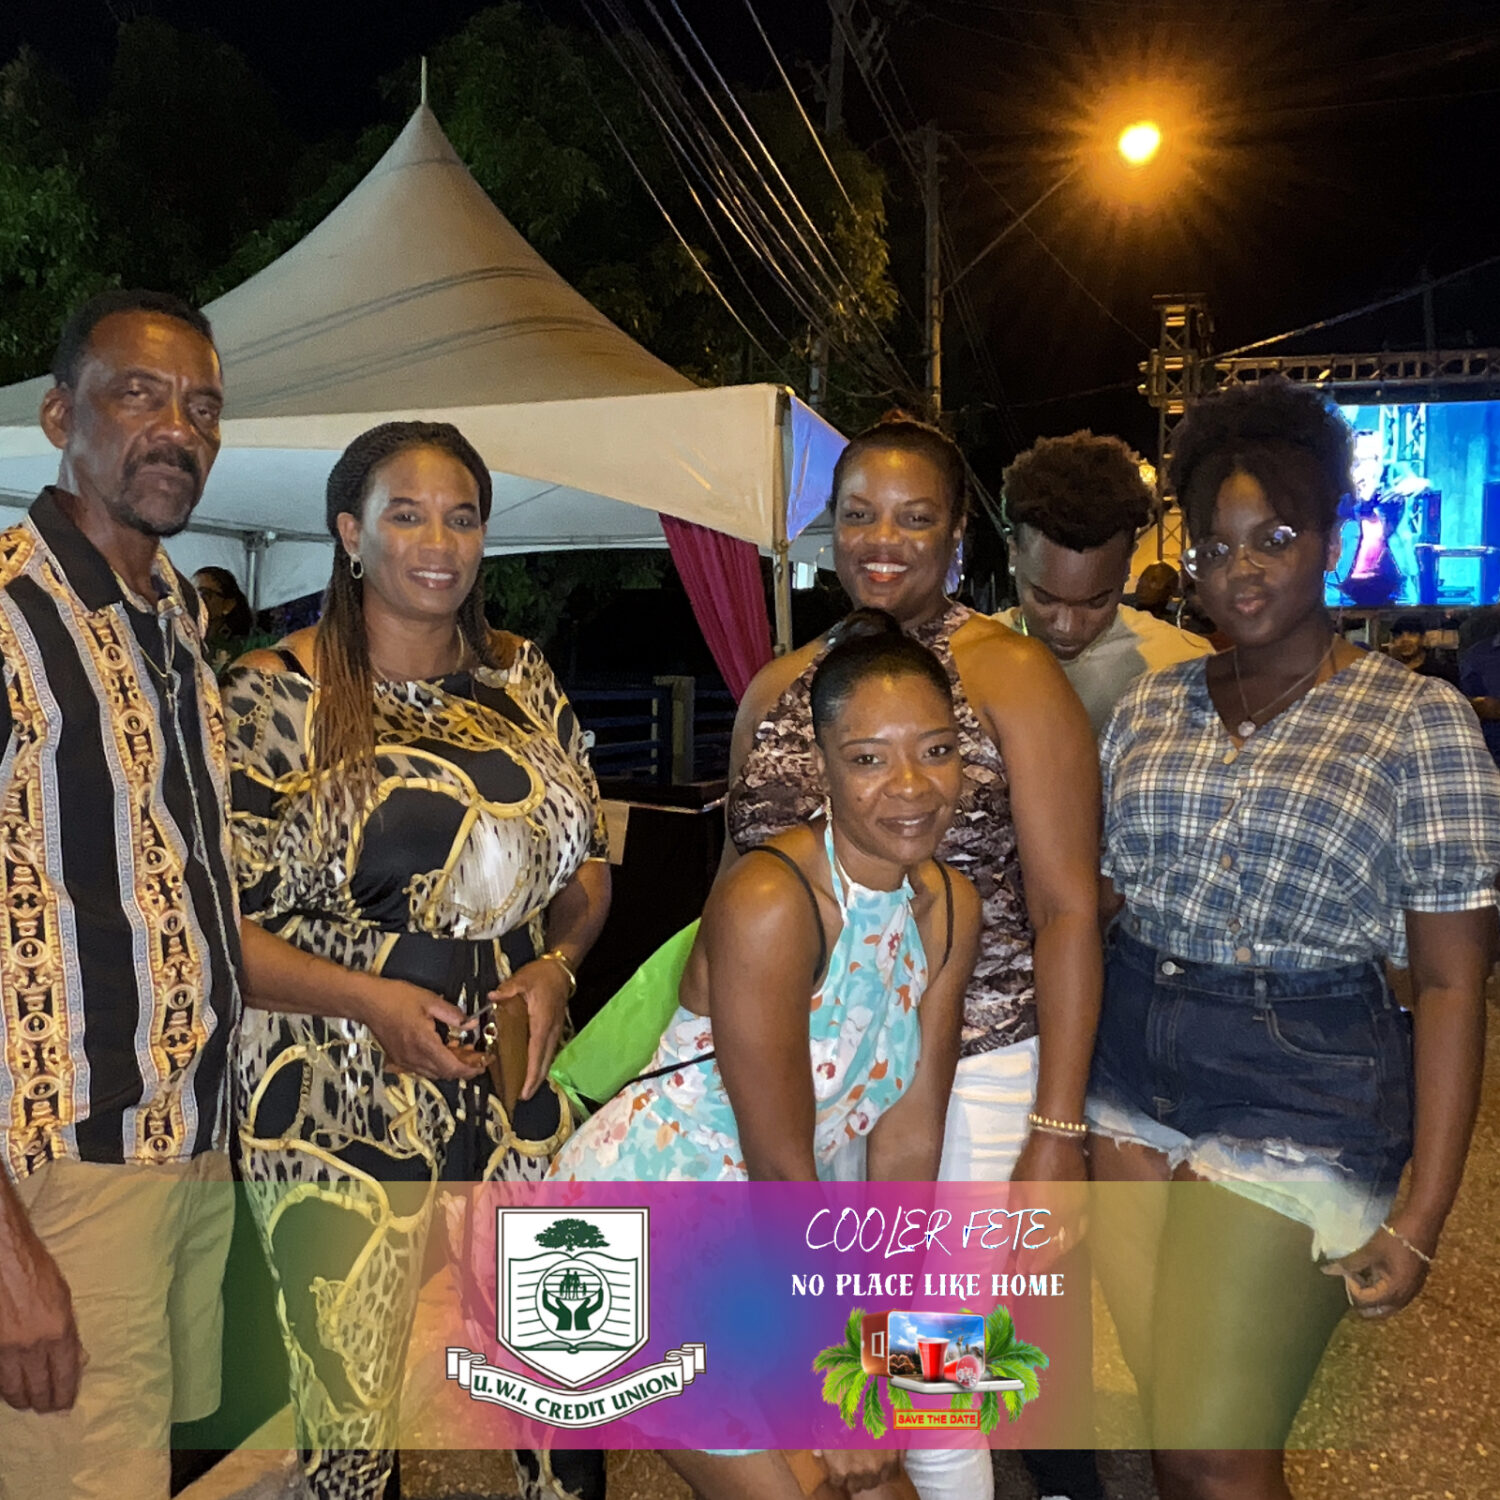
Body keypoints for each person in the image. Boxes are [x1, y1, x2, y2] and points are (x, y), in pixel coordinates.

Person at [0, 291, 484, 1500]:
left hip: (187, 1147)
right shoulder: (8, 618)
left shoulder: (171, 619)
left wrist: (372, 1002)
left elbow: (195, 911)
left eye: (203, 407)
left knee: (135, 1461)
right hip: (59, 1165)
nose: (178, 428)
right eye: (138, 395)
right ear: (59, 416)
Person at [1087, 376, 1500, 1499]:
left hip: (1305, 1084)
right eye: (1215, 547)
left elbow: (1451, 983)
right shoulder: (1152, 708)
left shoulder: (1418, 721)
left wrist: (1424, 1213)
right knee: (1174, 1435)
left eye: (1273, 537)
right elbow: (1102, 902)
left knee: (1216, 1456)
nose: (1243, 570)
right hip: (1128, 1069)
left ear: (1326, 538)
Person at [227, 421, 612, 1500]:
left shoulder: (520, 675)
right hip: (334, 1083)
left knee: (575, 1371)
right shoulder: (269, 694)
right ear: (350, 533)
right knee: (349, 1422)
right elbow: (219, 931)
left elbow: (586, 867)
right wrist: (374, 1002)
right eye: (406, 514)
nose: (439, 542)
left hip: (523, 1063)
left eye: (462, 517)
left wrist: (559, 967)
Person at [726, 414, 1103, 1500]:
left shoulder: (1010, 674)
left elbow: (1068, 910)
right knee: (830, 1364)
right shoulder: (782, 685)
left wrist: (1057, 1130)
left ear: (957, 536)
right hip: (810, 1074)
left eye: (914, 517)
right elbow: (736, 890)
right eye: (858, 515)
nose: (881, 541)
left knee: (925, 1371)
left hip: (975, 1061)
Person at [553, 610, 981, 1500]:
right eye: (868, 759)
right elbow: (779, 1161)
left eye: (937, 751)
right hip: (632, 1237)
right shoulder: (770, 900)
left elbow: (907, 1146)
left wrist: (884, 1348)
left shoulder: (949, 907)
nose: (911, 786)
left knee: (888, 1479)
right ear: (822, 768)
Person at [994, 430, 1212, 735]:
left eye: (1096, 602)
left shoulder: (1181, 667)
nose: (1067, 627)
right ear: (1013, 553)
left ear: (1128, 563)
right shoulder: (962, 659)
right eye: (1045, 598)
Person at [191, 564, 256, 672]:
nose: (195, 600)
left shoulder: (245, 646)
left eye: (204, 594)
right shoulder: (180, 638)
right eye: (190, 593)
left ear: (228, 605)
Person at [1385, 613, 1459, 685]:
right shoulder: (1388, 671)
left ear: (1423, 638)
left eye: (1412, 634)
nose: (1405, 640)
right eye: (1398, 635)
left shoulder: (1441, 673)